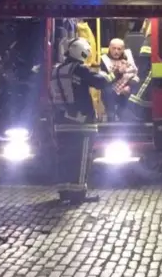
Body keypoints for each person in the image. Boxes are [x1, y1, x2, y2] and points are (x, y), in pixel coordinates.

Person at [50, 38, 115, 203]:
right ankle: (78, 193)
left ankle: (64, 191)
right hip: (81, 123)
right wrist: (115, 73)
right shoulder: (79, 69)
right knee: (82, 157)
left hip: (61, 121)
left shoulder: (57, 70)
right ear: (83, 53)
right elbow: (101, 82)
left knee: (64, 156)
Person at [100, 38, 139, 121]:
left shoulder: (128, 59)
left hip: (127, 92)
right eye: (114, 48)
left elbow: (135, 75)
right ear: (109, 48)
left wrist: (129, 86)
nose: (116, 51)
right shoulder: (104, 60)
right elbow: (104, 80)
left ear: (123, 49)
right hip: (110, 93)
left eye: (119, 49)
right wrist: (119, 72)